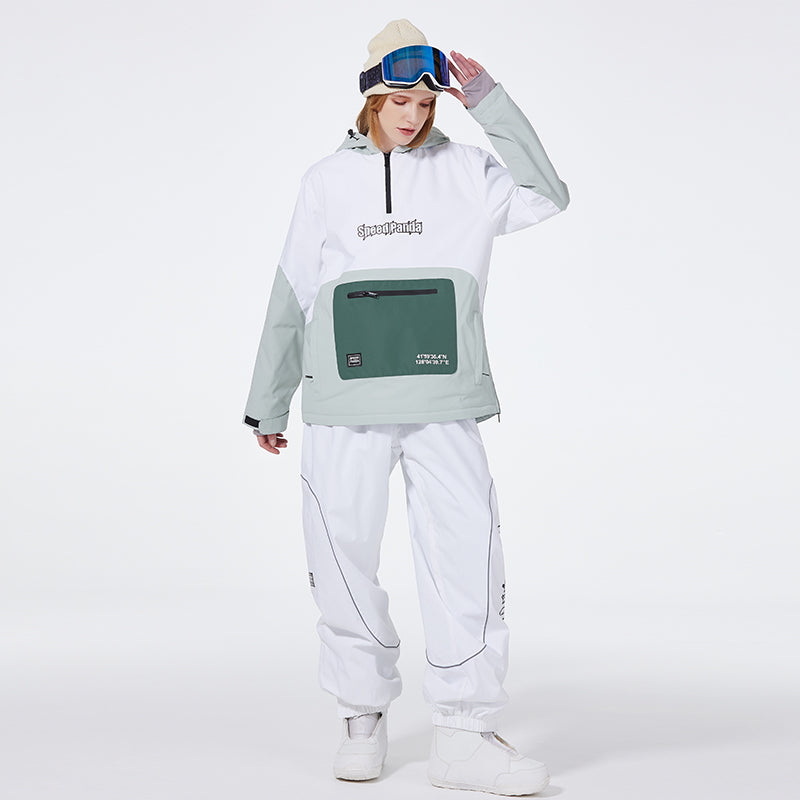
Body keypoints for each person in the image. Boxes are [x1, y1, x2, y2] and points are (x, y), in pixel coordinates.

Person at [243, 18, 569, 796]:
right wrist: (268, 403)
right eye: (398, 100)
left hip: (443, 397)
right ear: (370, 98)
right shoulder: (327, 180)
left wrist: (488, 100)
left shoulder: (470, 171)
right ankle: (362, 713)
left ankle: (463, 731)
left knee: (465, 558)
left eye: (425, 102)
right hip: (344, 400)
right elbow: (293, 293)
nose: (413, 116)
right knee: (342, 558)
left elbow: (547, 195)